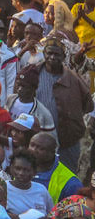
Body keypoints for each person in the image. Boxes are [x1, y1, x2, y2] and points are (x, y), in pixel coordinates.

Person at [32, 40, 91, 169]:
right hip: (37, 138)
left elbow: (88, 103)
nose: (52, 57)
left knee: (67, 176)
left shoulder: (72, 78)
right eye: (49, 53)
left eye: (57, 54)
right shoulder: (32, 73)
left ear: (64, 57)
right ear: (44, 54)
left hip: (67, 140)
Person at [29, 132, 80, 203]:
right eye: (32, 145)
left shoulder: (71, 183)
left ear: (52, 152)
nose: (33, 150)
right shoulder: (20, 167)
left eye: (41, 148)